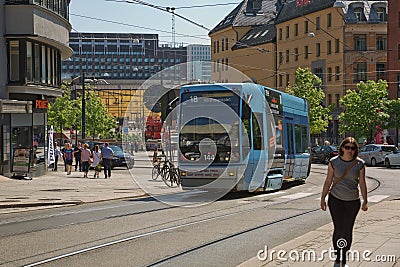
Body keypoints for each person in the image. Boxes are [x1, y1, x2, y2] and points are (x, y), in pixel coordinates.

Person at [320, 137, 368, 267]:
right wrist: (323, 198)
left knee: (347, 230)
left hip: (352, 202)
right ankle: (337, 258)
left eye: (353, 148)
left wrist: (365, 200)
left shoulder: (360, 164)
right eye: (347, 148)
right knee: (338, 229)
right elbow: (328, 180)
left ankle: (344, 259)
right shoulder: (333, 162)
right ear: (342, 148)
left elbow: (362, 183)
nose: (350, 151)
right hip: (336, 200)